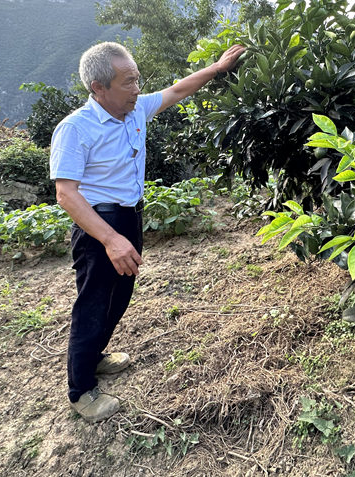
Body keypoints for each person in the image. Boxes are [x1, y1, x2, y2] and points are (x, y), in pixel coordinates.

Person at [50, 41, 245, 423]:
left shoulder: (136, 109)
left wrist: (217, 69)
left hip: (129, 219)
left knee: (119, 296)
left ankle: (96, 357)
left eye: (138, 79)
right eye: (128, 82)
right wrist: (110, 238)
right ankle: (80, 390)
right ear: (98, 88)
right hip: (99, 228)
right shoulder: (75, 128)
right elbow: (66, 193)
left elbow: (177, 90)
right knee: (92, 304)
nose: (137, 89)